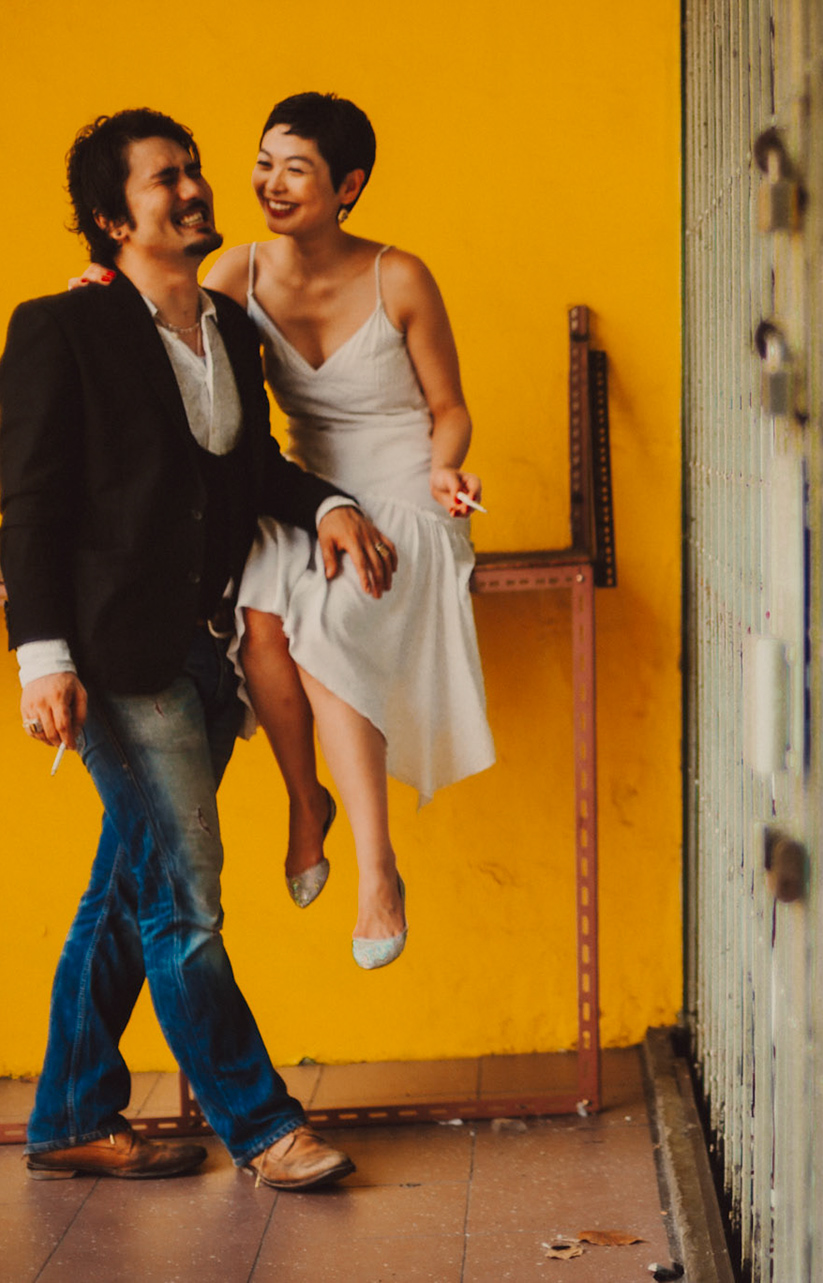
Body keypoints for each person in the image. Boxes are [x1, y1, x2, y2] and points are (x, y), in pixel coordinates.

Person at [0, 108, 383, 1186]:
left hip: (210, 655)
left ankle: (73, 1112)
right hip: (118, 663)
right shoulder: (59, 329)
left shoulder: (228, 325)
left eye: (195, 169)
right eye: (167, 179)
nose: (196, 187)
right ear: (113, 217)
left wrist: (332, 505)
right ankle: (265, 1125)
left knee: (130, 887)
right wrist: (43, 660)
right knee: (186, 901)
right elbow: (28, 510)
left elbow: (249, 471)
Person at [200, 92, 496, 969]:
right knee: (259, 622)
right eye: (264, 162)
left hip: (404, 490)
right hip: (305, 493)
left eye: (297, 168)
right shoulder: (235, 275)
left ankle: (378, 873)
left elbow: (450, 410)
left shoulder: (398, 276)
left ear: (348, 186)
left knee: (325, 622)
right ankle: (306, 800)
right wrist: (99, 288)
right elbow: (158, 329)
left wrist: (445, 471)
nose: (271, 183)